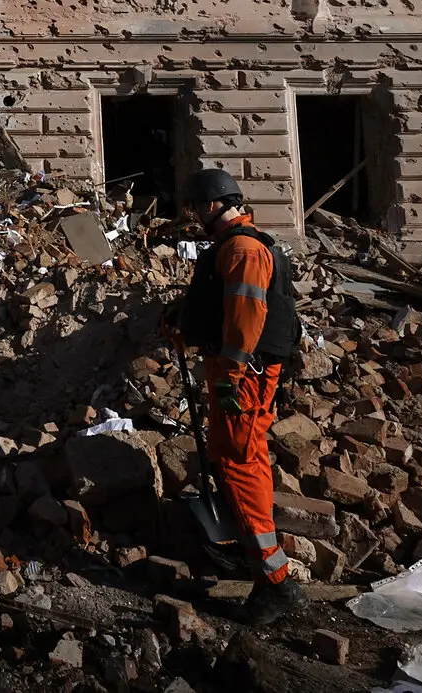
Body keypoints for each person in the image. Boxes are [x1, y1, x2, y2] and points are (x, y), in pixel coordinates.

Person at [173, 167, 309, 624]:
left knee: (238, 462)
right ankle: (260, 561)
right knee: (239, 458)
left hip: (243, 378)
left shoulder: (246, 250)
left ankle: (276, 582)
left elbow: (246, 319)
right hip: (236, 373)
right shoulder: (231, 248)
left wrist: (229, 375)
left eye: (197, 206)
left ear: (214, 204)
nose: (193, 215)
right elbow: (221, 307)